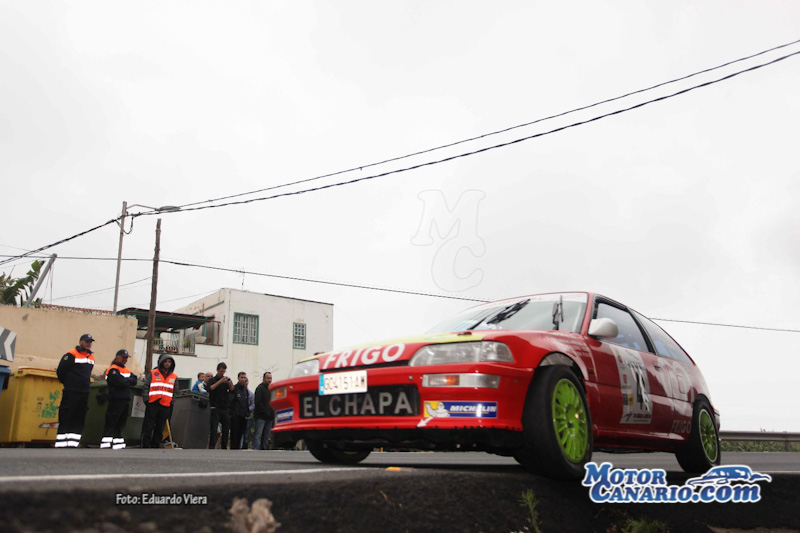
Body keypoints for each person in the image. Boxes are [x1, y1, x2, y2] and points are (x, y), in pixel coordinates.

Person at [55, 333, 96, 448]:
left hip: (84, 392)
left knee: (79, 417)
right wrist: (69, 383)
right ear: (80, 342)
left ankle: (73, 442)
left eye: (90, 342)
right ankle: (62, 442)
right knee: (67, 415)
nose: (88, 344)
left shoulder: (91, 357)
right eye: (86, 341)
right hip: (72, 391)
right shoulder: (71, 354)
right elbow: (61, 371)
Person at [101, 349, 138, 450]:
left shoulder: (126, 370)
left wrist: (126, 381)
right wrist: (128, 381)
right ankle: (107, 442)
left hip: (125, 399)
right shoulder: (113, 369)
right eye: (123, 357)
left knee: (121, 421)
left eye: (126, 358)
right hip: (115, 399)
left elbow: (134, 380)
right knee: (112, 421)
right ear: (117, 357)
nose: (125, 360)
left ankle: (117, 440)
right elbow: (120, 382)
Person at [140, 354, 177, 448]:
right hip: (153, 402)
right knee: (149, 425)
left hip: (165, 404)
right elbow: (146, 386)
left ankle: (155, 444)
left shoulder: (174, 376)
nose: (167, 364)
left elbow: (175, 391)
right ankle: (145, 444)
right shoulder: (153, 373)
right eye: (165, 362)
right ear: (161, 362)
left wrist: (171, 402)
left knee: (160, 426)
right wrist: (146, 399)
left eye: (169, 362)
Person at [207, 362, 233, 449]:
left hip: (224, 407)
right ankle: (212, 446)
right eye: (221, 371)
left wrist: (229, 383)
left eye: (224, 371)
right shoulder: (212, 380)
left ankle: (224, 446)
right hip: (215, 407)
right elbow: (210, 389)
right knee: (214, 429)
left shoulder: (226, 380)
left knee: (226, 429)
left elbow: (232, 390)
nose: (222, 373)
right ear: (217, 370)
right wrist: (220, 381)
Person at [253, 372, 275, 451]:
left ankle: (264, 449)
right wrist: (265, 412)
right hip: (261, 416)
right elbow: (258, 402)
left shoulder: (272, 389)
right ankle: (255, 449)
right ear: (263, 378)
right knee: (258, 434)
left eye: (270, 378)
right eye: (267, 378)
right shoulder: (260, 388)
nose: (269, 380)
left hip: (270, 417)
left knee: (266, 435)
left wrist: (272, 413)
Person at [229, 372, 251, 450]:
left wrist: (247, 413)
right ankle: (233, 448)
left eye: (244, 377)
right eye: (241, 377)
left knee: (240, 433)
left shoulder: (245, 390)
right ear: (238, 378)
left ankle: (237, 448)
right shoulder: (234, 388)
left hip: (243, 415)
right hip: (235, 415)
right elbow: (231, 402)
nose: (243, 379)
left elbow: (246, 403)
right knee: (234, 433)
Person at [241, 377, 255, 449]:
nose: (245, 383)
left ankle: (245, 448)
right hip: (240, 415)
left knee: (246, 434)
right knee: (240, 433)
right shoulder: (238, 392)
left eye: (246, 381)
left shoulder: (251, 394)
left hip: (248, 416)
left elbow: (253, 404)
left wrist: (247, 410)